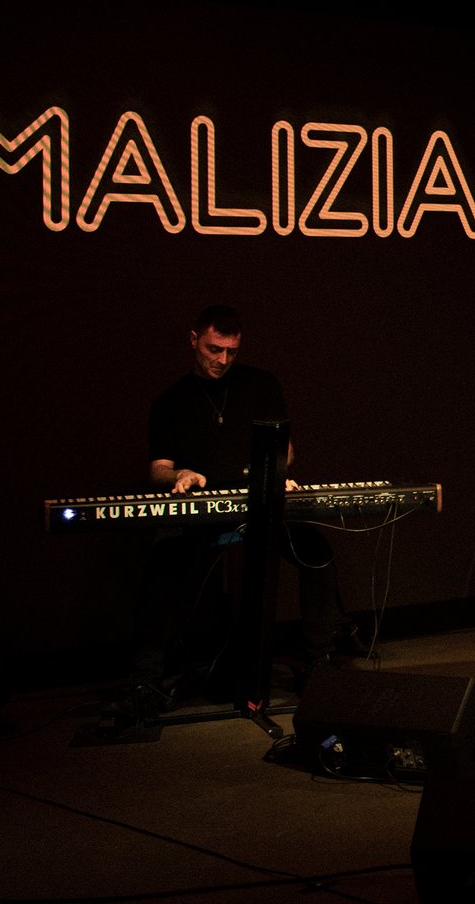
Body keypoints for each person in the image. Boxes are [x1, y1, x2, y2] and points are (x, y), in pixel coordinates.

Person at [126, 305, 340, 717]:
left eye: (231, 351)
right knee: (162, 564)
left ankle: (320, 666)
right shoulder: (171, 402)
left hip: (259, 506)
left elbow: (288, 449)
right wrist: (180, 474)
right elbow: (157, 468)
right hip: (201, 515)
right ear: (193, 340)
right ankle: (144, 681)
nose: (222, 360)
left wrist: (277, 469)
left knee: (318, 556)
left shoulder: (261, 384)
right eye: (213, 349)